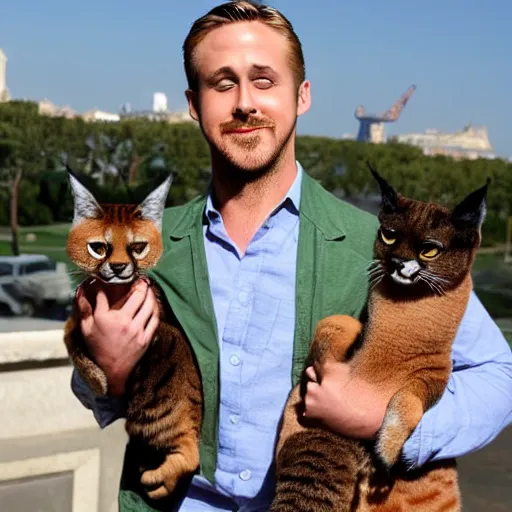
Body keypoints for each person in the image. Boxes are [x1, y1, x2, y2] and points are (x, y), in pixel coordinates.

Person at [71, 2, 512, 511]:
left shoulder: (377, 245)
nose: (244, 104)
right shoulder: (149, 245)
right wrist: (111, 369)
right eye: (222, 83)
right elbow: (93, 391)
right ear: (194, 104)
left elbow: (497, 375)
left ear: (301, 96)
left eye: (263, 81)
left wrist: (381, 420)